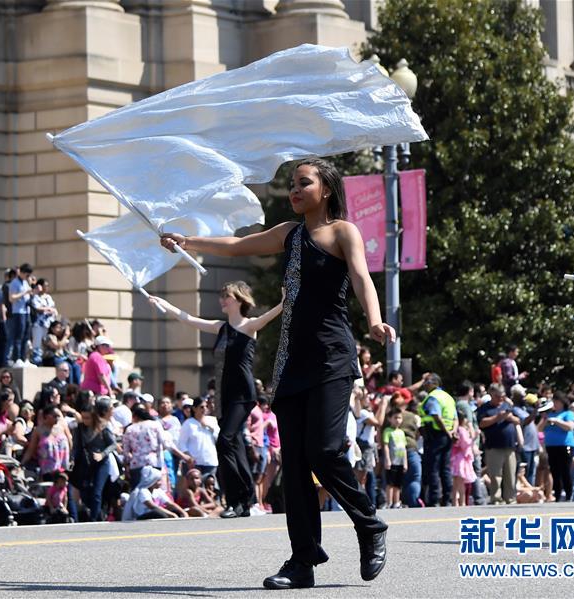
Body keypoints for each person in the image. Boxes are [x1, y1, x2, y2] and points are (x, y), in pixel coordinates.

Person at [161, 158, 393, 589]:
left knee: (324, 451)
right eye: (292, 184)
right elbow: (235, 246)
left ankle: (370, 525)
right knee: (297, 463)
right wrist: (186, 241)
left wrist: (375, 321)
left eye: (304, 182)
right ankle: (302, 559)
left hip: (332, 357)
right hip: (289, 364)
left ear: (326, 189)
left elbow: (362, 278)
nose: (295, 189)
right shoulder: (289, 233)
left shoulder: (343, 232)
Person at [149, 282, 283, 519]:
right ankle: (244, 501)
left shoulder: (249, 326)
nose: (222, 300)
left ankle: (235, 499)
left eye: (227, 296)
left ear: (239, 300)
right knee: (234, 446)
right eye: (222, 296)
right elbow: (189, 319)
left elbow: (270, 315)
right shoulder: (220, 327)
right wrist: (165, 305)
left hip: (243, 395)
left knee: (225, 441)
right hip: (224, 395)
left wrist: (285, 302)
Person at [72, 396, 118, 521]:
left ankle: (93, 520)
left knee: (96, 493)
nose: (85, 420)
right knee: (85, 493)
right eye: (83, 417)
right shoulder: (79, 429)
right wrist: (72, 459)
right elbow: (76, 447)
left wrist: (102, 454)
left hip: (101, 463)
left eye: (88, 418)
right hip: (85, 464)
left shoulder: (103, 427)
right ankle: (98, 515)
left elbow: (113, 444)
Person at [476, 383, 520, 504]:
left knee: (510, 474)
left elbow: (518, 420)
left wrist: (510, 418)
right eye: (497, 396)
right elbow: (481, 423)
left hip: (510, 446)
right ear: (491, 395)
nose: (500, 398)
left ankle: (510, 498)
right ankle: (496, 498)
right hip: (494, 446)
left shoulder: (507, 406)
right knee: (496, 475)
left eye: (502, 396)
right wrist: (498, 417)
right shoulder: (485, 408)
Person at [417, 374, 457, 507]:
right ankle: (447, 499)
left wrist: (446, 431)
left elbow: (435, 415)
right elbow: (455, 419)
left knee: (433, 468)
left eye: (427, 382)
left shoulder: (433, 397)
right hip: (447, 436)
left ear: (435, 383)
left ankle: (434, 500)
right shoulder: (448, 397)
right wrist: (452, 432)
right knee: (445, 468)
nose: (425, 384)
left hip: (435, 435)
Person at [538, 392, 574, 502]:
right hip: (551, 446)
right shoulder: (550, 414)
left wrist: (557, 421)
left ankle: (569, 495)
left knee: (565, 470)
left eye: (557, 401)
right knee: (555, 471)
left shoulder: (568, 413)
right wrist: (545, 420)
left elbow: (570, 427)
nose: (555, 403)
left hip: (565, 445)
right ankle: (557, 495)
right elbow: (539, 429)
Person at [6, 263, 35, 367]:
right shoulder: (14, 283)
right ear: (22, 272)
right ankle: (16, 358)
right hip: (18, 312)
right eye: (27, 275)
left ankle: (23, 358)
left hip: (26, 311)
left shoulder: (25, 282)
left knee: (26, 336)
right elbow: (11, 298)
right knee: (18, 336)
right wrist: (24, 293)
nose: (28, 277)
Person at [381, 408, 407, 509]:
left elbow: (404, 448)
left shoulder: (401, 432)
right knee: (390, 483)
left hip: (400, 461)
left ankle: (397, 502)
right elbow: (386, 446)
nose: (398, 420)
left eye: (400, 418)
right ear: (389, 419)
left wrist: (405, 462)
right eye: (395, 417)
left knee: (398, 484)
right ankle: (389, 502)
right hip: (392, 461)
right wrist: (387, 459)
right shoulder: (387, 431)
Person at [450, 412, 477, 507]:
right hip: (461, 458)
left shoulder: (455, 430)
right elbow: (465, 443)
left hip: (454, 457)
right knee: (461, 482)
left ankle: (454, 501)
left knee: (455, 482)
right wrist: (474, 437)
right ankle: (462, 501)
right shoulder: (462, 430)